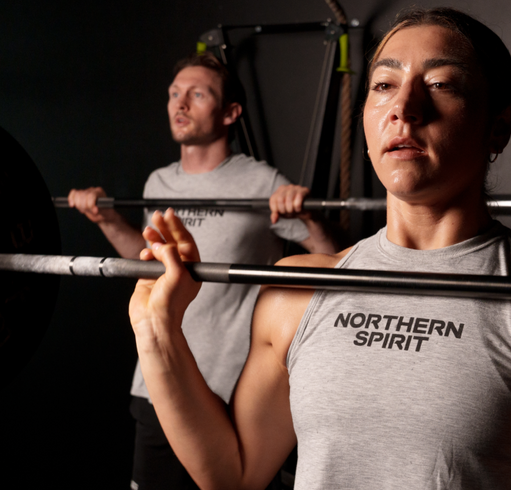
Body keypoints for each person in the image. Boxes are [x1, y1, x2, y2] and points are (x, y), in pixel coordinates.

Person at [128, 8, 511, 490]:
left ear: (498, 125)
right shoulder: (295, 289)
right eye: (383, 85)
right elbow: (233, 471)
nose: (403, 107)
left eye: (441, 84)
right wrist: (159, 334)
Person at [65, 53, 338, 489]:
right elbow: (151, 262)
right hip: (160, 379)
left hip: (236, 390)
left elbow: (330, 263)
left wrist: (308, 219)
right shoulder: (159, 182)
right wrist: (107, 220)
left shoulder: (262, 182)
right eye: (174, 94)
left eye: (197, 94)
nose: (180, 103)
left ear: (230, 113)